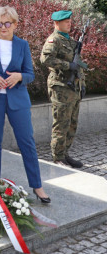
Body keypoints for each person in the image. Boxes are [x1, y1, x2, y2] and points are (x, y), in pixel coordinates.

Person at [0, 6, 50, 203]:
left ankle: (37, 186)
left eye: (7, 23)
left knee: (27, 142)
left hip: (18, 100)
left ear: (15, 24)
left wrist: (19, 77)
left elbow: (30, 74)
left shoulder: (22, 45)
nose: (3, 27)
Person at [40, 9, 86, 168]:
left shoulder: (70, 41)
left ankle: (65, 154)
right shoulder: (54, 40)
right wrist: (67, 65)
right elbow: (45, 59)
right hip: (60, 87)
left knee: (72, 123)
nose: (69, 24)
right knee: (61, 123)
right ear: (56, 23)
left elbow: (77, 65)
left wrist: (82, 84)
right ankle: (58, 157)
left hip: (73, 88)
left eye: (70, 21)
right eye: (66, 22)